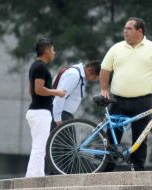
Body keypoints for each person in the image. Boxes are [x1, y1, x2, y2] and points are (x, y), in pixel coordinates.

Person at [100, 17, 152, 171]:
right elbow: (105, 70)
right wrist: (104, 89)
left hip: (142, 101)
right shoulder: (116, 48)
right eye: (124, 28)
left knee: (141, 136)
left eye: (128, 28)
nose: (124, 31)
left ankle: (138, 170)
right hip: (118, 100)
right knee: (112, 136)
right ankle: (106, 170)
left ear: (139, 31)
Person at [25, 37, 66, 177]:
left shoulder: (34, 66)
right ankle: (35, 177)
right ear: (47, 50)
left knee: (38, 146)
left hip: (36, 111)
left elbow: (31, 91)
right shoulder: (41, 67)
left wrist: (47, 92)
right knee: (40, 147)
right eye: (53, 50)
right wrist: (57, 92)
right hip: (40, 112)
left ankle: (34, 175)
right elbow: (38, 90)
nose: (54, 53)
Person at [52, 60, 101, 126]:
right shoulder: (74, 75)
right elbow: (60, 95)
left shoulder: (79, 75)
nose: (93, 80)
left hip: (65, 115)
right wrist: (57, 119)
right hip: (61, 114)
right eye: (94, 77)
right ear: (89, 70)